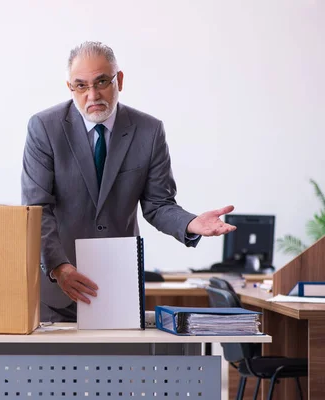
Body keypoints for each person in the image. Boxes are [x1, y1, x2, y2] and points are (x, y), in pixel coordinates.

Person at [20, 41, 236, 322]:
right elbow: (37, 209)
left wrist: (191, 223)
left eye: (101, 82)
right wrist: (59, 267)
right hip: (57, 289)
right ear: (70, 88)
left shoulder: (149, 131)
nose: (93, 94)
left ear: (119, 79)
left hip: (118, 285)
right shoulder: (44, 128)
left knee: (123, 365)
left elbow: (158, 204)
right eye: (81, 86)